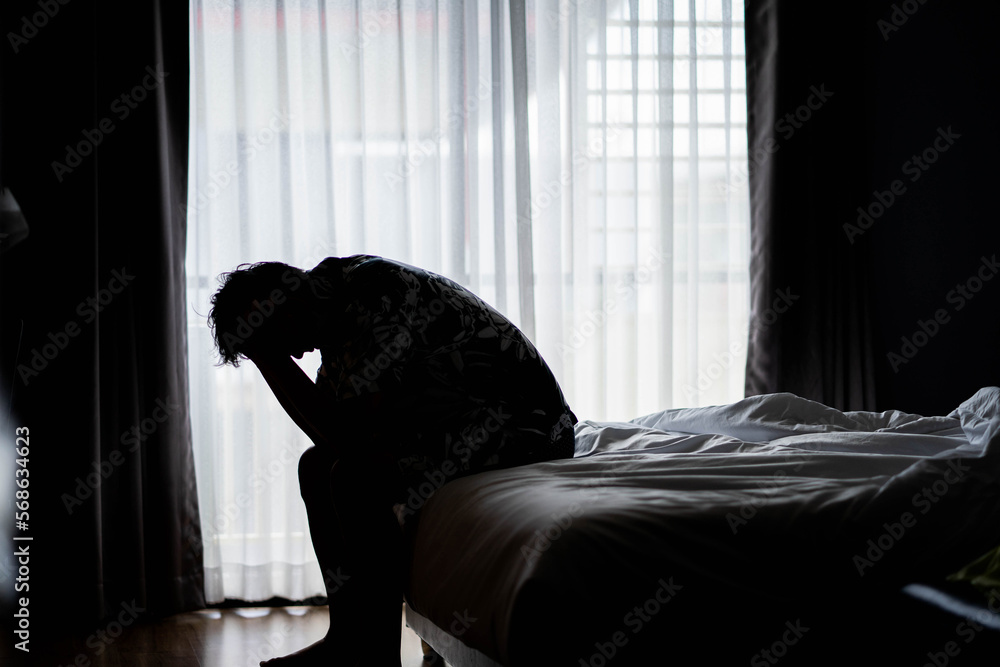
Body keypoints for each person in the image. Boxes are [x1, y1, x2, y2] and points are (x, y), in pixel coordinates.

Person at [208, 254, 577, 666]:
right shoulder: (331, 312)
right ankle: (345, 638)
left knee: (353, 478)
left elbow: (351, 440)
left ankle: (379, 656)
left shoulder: (373, 293)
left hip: (528, 427)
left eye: (278, 344)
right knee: (314, 467)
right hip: (462, 421)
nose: (293, 354)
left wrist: (271, 359)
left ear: (284, 306)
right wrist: (268, 358)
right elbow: (328, 437)